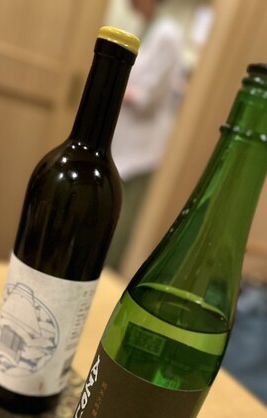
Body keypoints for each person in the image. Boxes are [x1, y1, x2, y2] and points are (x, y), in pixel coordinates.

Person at [106, 0, 184, 271]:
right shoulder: (147, 28)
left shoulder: (168, 34)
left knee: (118, 225)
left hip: (140, 151)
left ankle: (104, 278)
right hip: (123, 142)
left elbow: (147, 99)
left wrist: (111, 83)